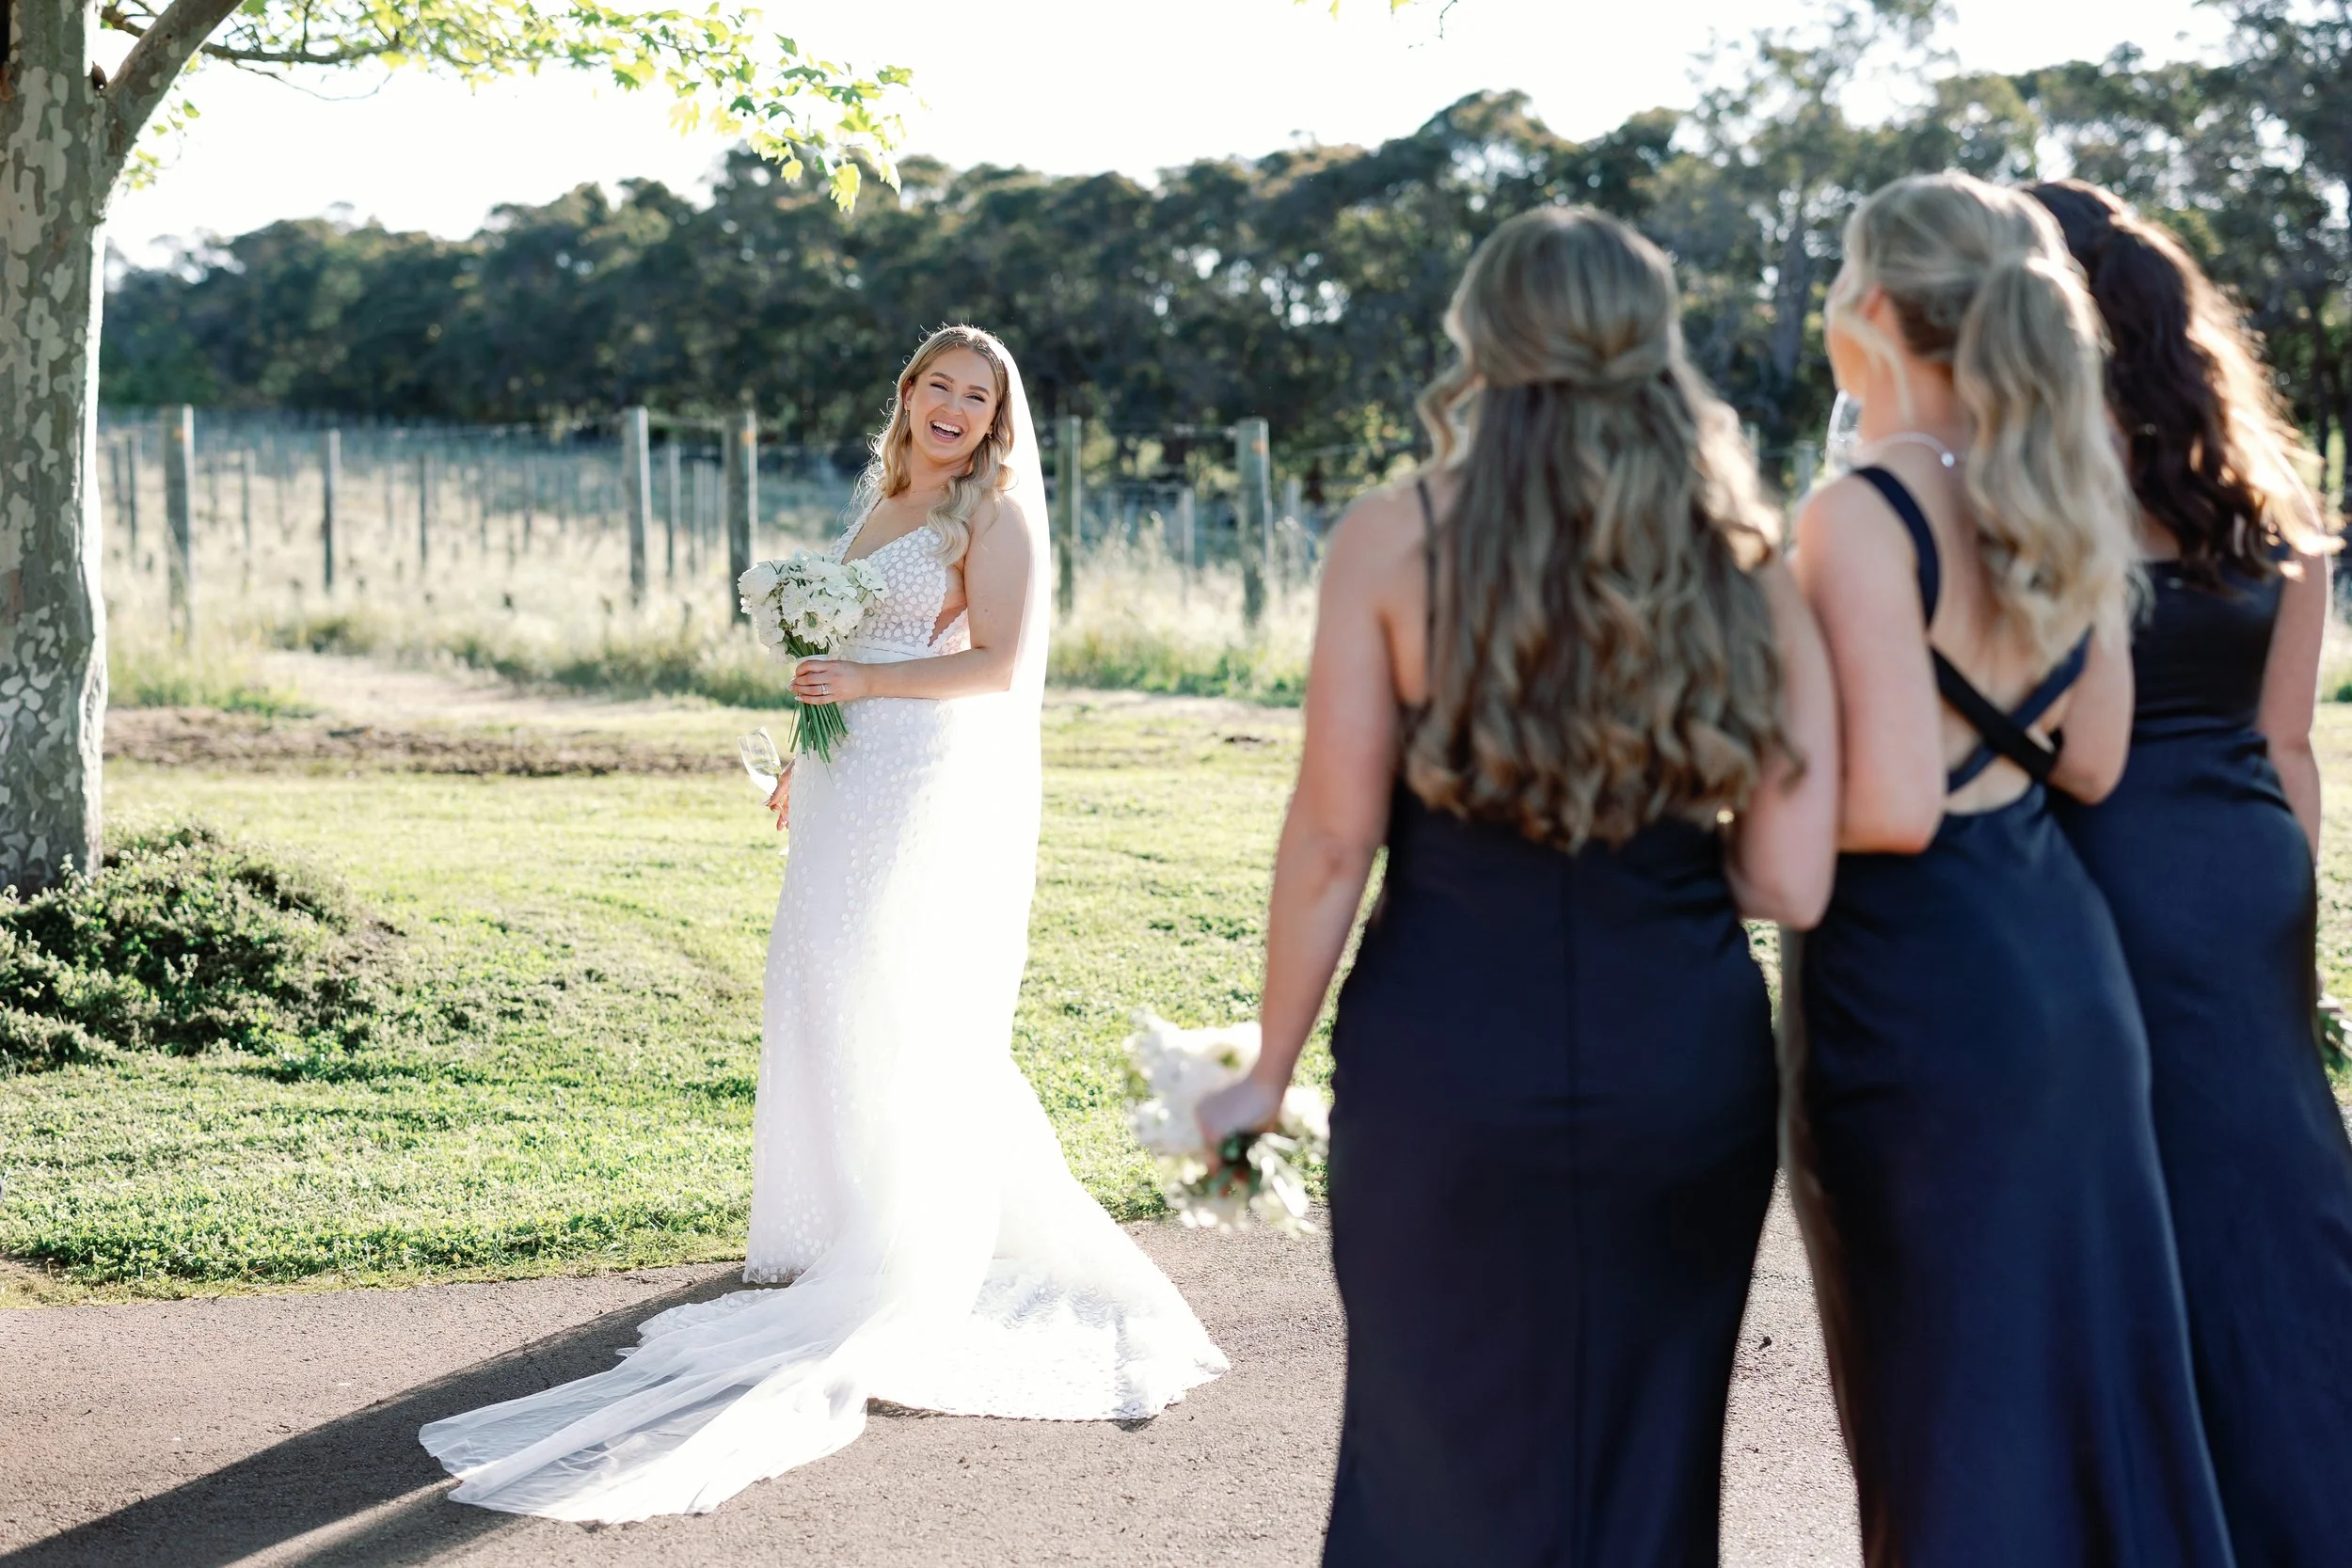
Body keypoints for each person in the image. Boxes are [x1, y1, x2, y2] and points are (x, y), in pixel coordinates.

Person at [420, 326, 1226, 1521]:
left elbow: (999, 666)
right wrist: (810, 750)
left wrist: (863, 686)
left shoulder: (991, 514)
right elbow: (847, 644)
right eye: (938, 386)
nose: (954, 407)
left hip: (918, 778)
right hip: (849, 777)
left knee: (901, 1001)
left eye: (978, 394)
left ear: (998, 416)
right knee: (824, 989)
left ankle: (910, 1237)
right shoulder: (888, 496)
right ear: (906, 394)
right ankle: (852, 1215)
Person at [1200, 205, 1839, 1567]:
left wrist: (1267, 1068)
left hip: (1447, 1046)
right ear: (1650, 339)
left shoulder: (1392, 535)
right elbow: (1789, 872)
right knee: (1647, 1441)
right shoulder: (1750, 559)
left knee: (1430, 1434)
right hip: (1683, 1055)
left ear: (1483, 338)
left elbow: (1330, 838)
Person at [1786, 172, 2234, 1566]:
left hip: (1914, 991)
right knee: (2089, 1375)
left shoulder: (1860, 512)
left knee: (1939, 1383)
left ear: (1873, 312)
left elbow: (1898, 806)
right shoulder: (2061, 493)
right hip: (2060, 964)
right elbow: (2092, 761)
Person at [2032, 177, 2352, 1568]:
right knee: (2275, 1189)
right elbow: (2290, 745)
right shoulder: (2266, 506)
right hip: (2245, 873)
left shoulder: (2034, 493)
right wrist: (2293, 924)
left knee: (2120, 1204)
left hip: (2095, 870)